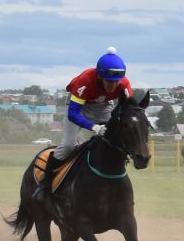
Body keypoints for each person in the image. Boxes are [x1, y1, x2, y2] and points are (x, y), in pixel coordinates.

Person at [37, 48, 131, 200]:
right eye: (109, 81)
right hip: (79, 108)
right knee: (68, 145)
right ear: (100, 76)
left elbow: (128, 110)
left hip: (104, 106)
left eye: (116, 82)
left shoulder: (124, 84)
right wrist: (94, 127)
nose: (113, 86)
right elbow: (73, 114)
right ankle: (45, 184)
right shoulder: (85, 81)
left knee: (114, 139)